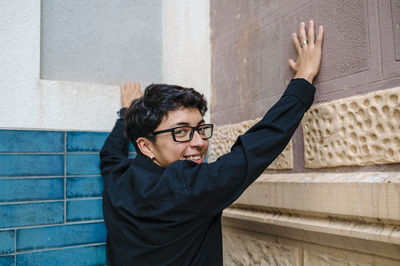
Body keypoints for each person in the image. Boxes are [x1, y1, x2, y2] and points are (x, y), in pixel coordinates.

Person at [100, 20, 324, 265]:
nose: (199, 142)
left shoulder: (117, 181)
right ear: (145, 146)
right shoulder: (186, 187)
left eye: (200, 129)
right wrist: (303, 80)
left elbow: (110, 156)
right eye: (182, 132)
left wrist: (126, 113)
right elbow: (254, 148)